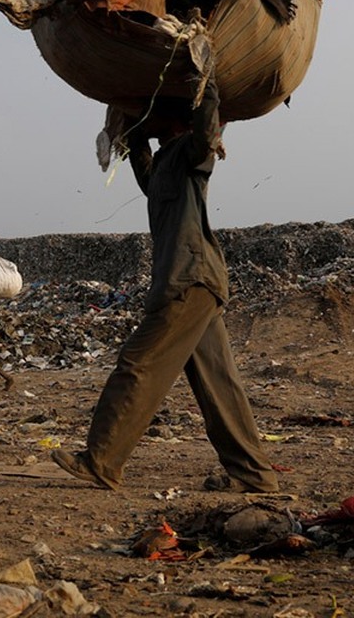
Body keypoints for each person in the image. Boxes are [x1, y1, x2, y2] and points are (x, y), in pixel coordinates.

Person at [51, 80, 279, 493]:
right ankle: (255, 474)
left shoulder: (193, 156)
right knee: (219, 385)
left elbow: (209, 134)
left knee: (137, 365)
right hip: (193, 283)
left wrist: (206, 84)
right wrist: (125, 120)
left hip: (188, 281)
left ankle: (102, 460)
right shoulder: (161, 170)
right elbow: (139, 149)